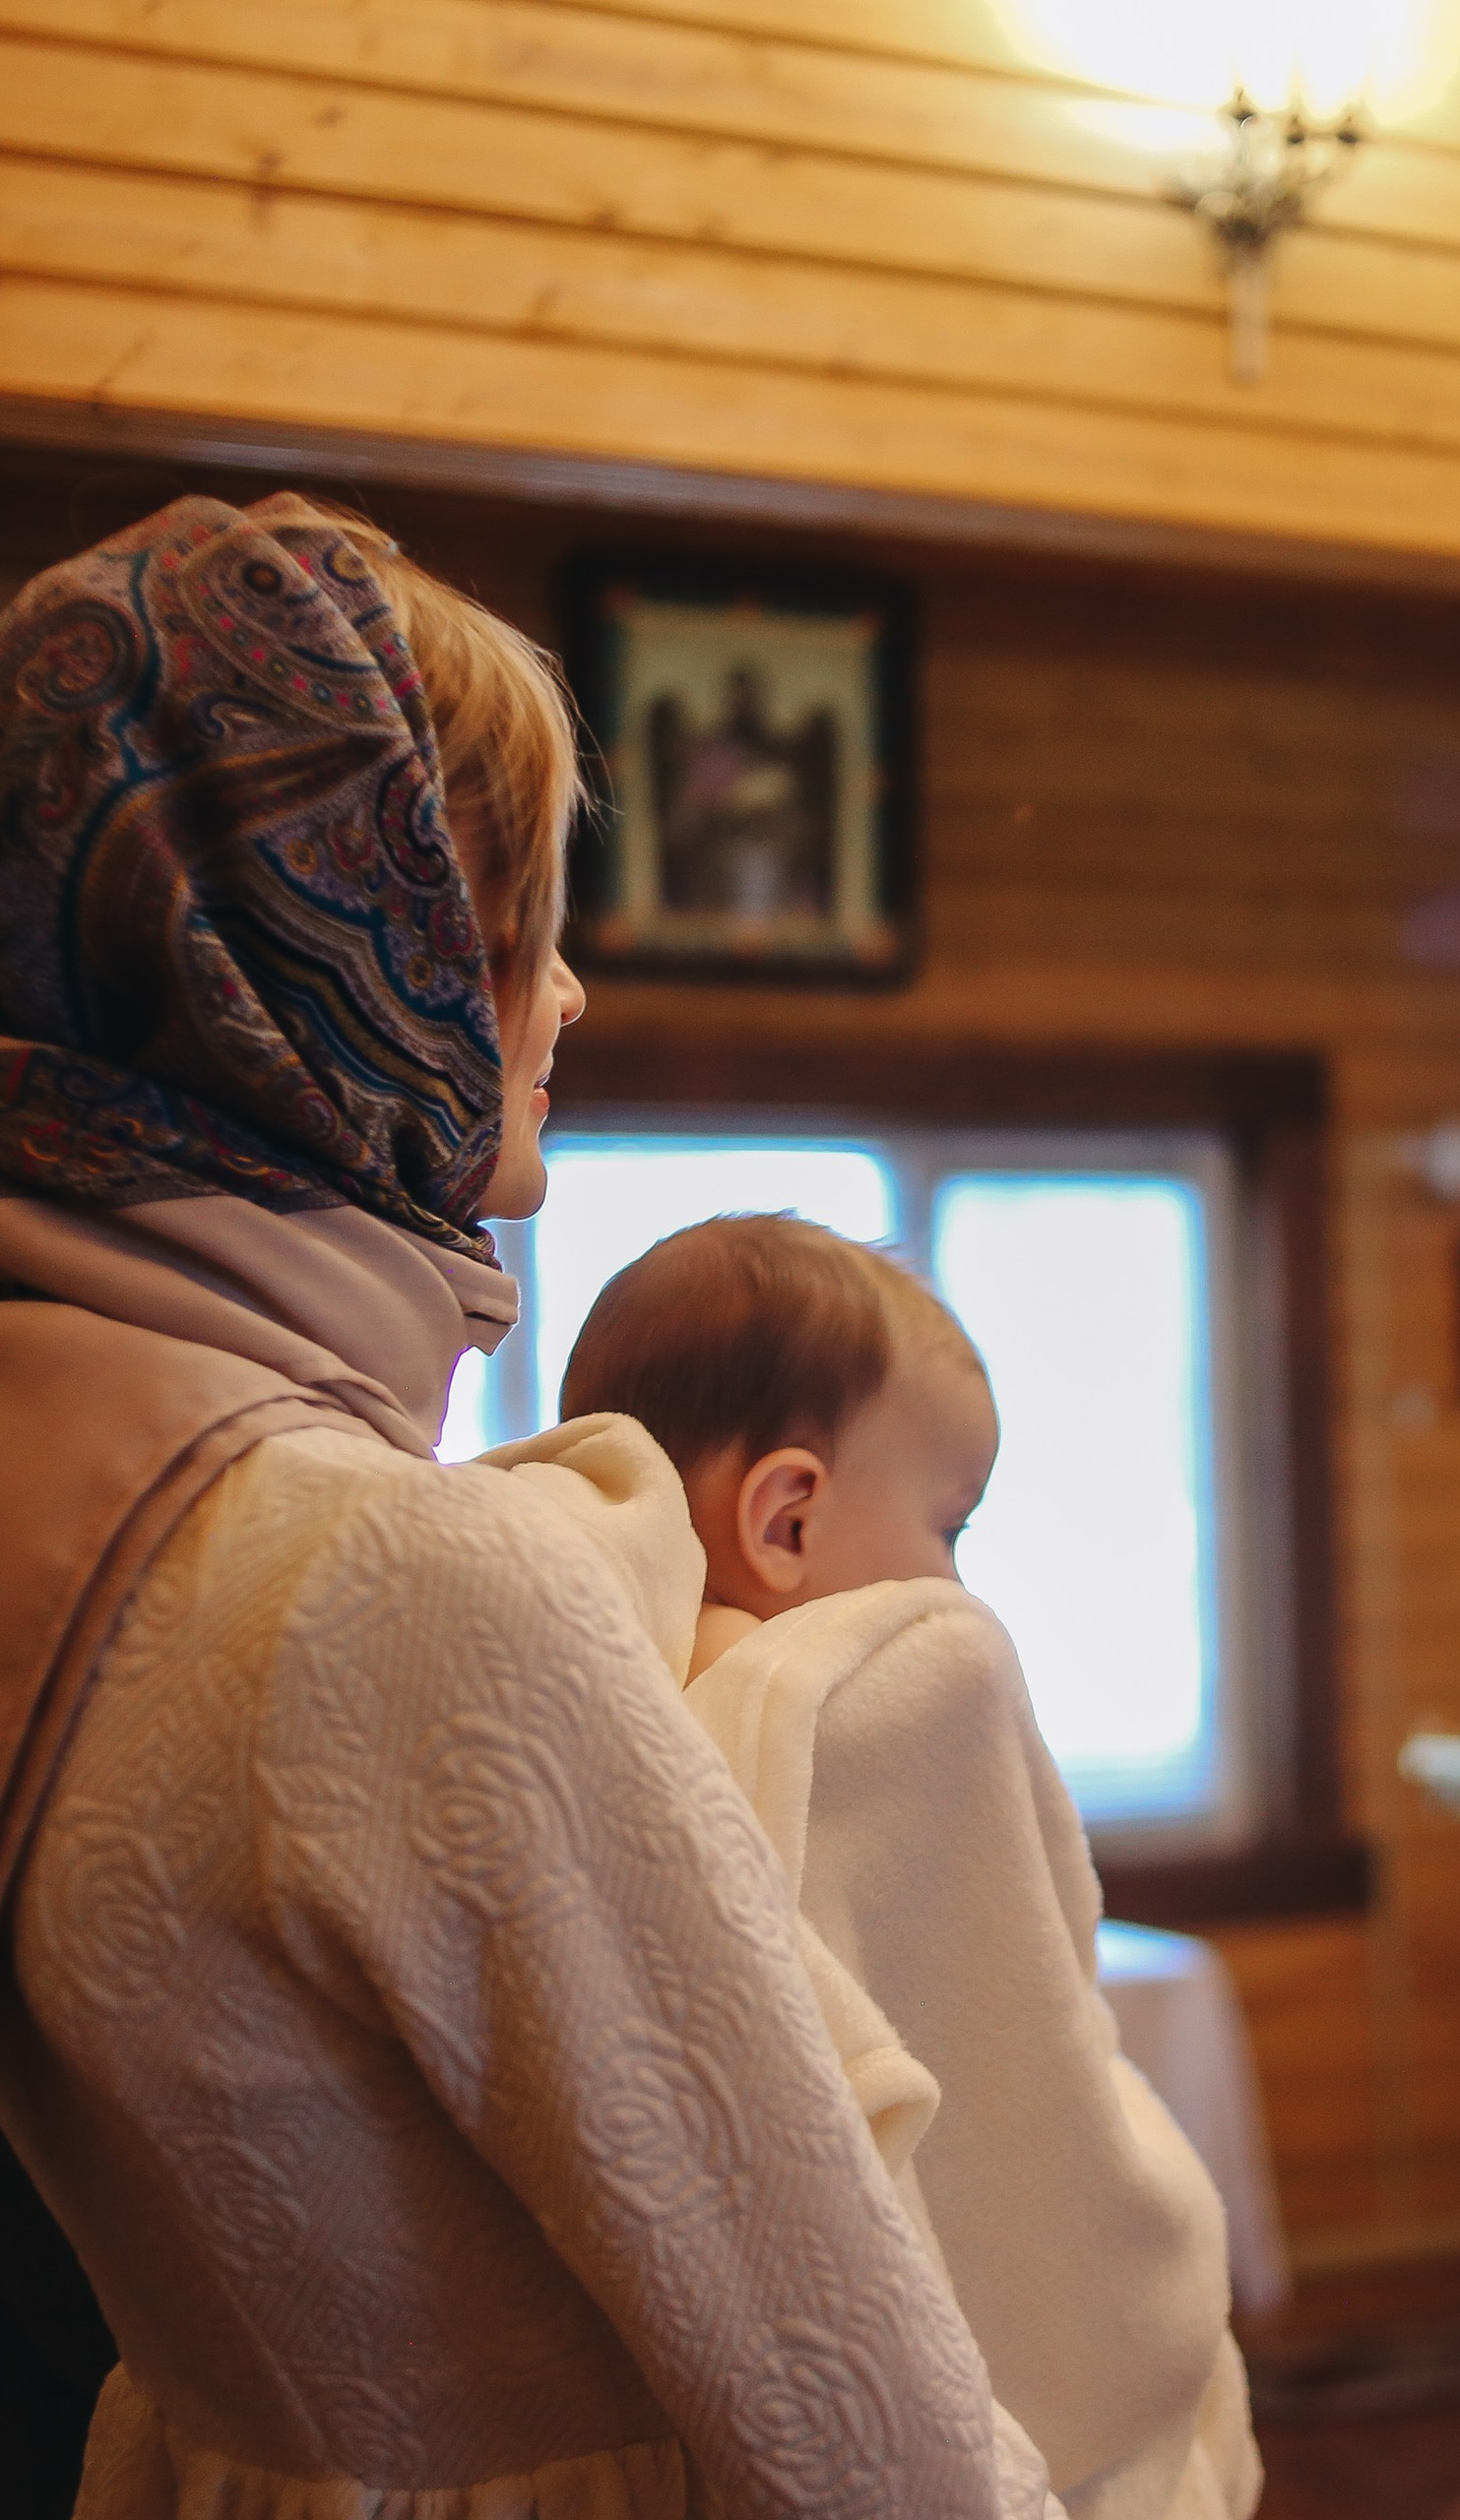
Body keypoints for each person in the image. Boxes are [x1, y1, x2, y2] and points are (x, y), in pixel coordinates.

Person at [0, 495, 1055, 2518]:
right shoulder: (377, 1565)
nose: (565, 998)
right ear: (336, 953)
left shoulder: (70, 1476)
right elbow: (864, 2423)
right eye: (513, 929)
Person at [558, 1214, 1263, 2520]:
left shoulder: (576, 1690)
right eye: (952, 1524)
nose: (954, 1577)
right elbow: (1034, 2087)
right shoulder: (910, 1688)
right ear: (786, 1520)